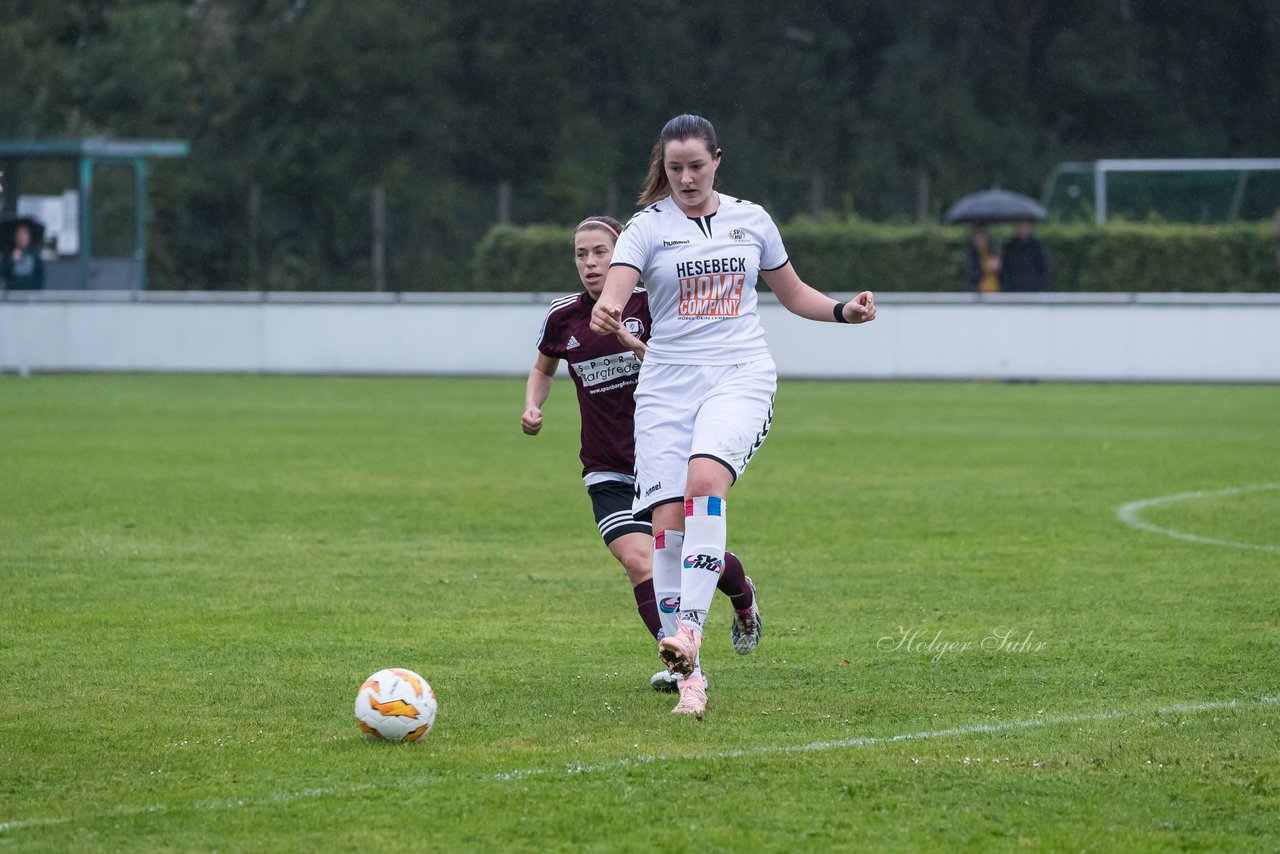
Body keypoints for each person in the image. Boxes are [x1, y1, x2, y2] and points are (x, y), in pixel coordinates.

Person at [589, 114, 876, 718]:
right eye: (674, 168)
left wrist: (843, 310)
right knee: (666, 526)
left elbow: (794, 294)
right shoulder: (646, 228)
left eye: (696, 165)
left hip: (739, 374)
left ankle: (689, 631)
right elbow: (617, 286)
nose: (686, 178)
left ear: (717, 159)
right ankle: (692, 680)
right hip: (666, 386)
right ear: (661, 169)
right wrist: (608, 311)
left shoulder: (752, 220)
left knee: (702, 485)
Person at [522, 215, 761, 694]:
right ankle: (683, 663)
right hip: (606, 468)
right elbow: (543, 366)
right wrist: (532, 403)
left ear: (624, 255)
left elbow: (686, 366)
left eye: (600, 253)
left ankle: (742, 594)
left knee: (692, 556)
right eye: (581, 254)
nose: (590, 264)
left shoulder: (657, 304)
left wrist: (633, 343)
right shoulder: (563, 316)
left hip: (664, 460)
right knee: (641, 563)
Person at [999, 219, 1049, 292]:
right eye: (1020, 226)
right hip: (1012, 290)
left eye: (1025, 226)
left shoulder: (1037, 246)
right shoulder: (1009, 246)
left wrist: (1038, 287)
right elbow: (1004, 269)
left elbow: (1042, 269)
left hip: (1032, 290)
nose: (1022, 229)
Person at [2, 222, 44, 290]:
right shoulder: (9, 253)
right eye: (19, 235)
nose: (21, 237)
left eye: (24, 234)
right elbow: (3, 273)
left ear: (29, 237)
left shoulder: (34, 254)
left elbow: (40, 276)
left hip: (29, 293)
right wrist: (11, 261)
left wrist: (36, 294)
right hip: (12, 292)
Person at [961, 224, 1001, 293]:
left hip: (995, 291)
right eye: (978, 237)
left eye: (983, 237)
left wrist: (999, 266)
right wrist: (986, 268)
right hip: (978, 294)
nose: (981, 240)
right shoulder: (970, 255)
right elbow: (971, 275)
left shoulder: (992, 251)